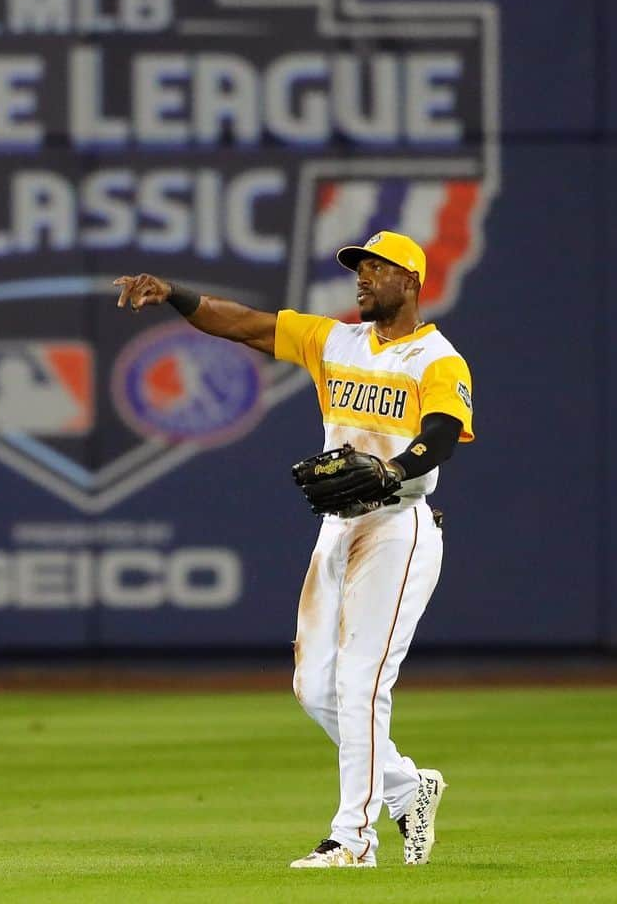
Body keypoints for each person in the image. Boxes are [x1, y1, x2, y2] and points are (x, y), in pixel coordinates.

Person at [113, 230, 474, 869]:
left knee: (364, 682)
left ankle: (354, 840)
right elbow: (245, 325)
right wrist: (173, 294)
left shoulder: (436, 359)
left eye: (376, 270)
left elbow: (442, 434)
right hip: (339, 525)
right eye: (358, 269)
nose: (362, 279)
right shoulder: (336, 341)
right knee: (315, 690)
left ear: (412, 282)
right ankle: (404, 785)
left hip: (398, 526)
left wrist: (398, 469)